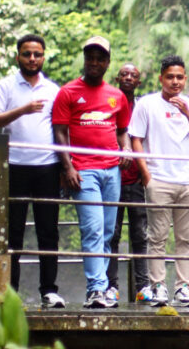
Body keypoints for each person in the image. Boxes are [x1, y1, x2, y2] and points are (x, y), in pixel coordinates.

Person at [52, 36, 132, 308]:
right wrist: (68, 166)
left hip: (112, 171)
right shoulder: (68, 92)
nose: (95, 62)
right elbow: (60, 132)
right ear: (85, 60)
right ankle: (95, 289)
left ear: (108, 62)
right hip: (84, 171)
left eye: (100, 58)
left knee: (108, 231)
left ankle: (106, 287)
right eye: (90, 57)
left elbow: (122, 131)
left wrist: (126, 150)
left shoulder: (116, 95)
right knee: (93, 230)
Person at [129, 55, 189, 307]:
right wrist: (146, 174)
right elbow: (136, 139)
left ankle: (184, 288)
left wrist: (186, 112)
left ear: (185, 79)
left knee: (186, 238)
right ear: (161, 78)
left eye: (179, 77)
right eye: (170, 77)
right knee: (157, 237)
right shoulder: (146, 104)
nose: (175, 82)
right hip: (159, 179)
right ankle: (158, 286)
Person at [0, 34, 65, 308]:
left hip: (47, 167)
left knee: (48, 231)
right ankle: (9, 293)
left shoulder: (53, 89)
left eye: (37, 54)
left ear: (44, 57)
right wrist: (23, 109)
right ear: (18, 57)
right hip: (14, 167)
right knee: (12, 233)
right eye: (27, 54)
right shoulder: (5, 86)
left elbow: (61, 129)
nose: (32, 59)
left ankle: (49, 290)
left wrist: (64, 165)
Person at [105, 63, 149, 304]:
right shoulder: (109, 101)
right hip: (112, 176)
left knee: (140, 235)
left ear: (139, 81)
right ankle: (111, 286)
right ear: (117, 78)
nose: (129, 77)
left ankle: (143, 287)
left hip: (137, 179)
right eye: (124, 74)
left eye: (134, 74)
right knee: (112, 234)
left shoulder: (143, 105)